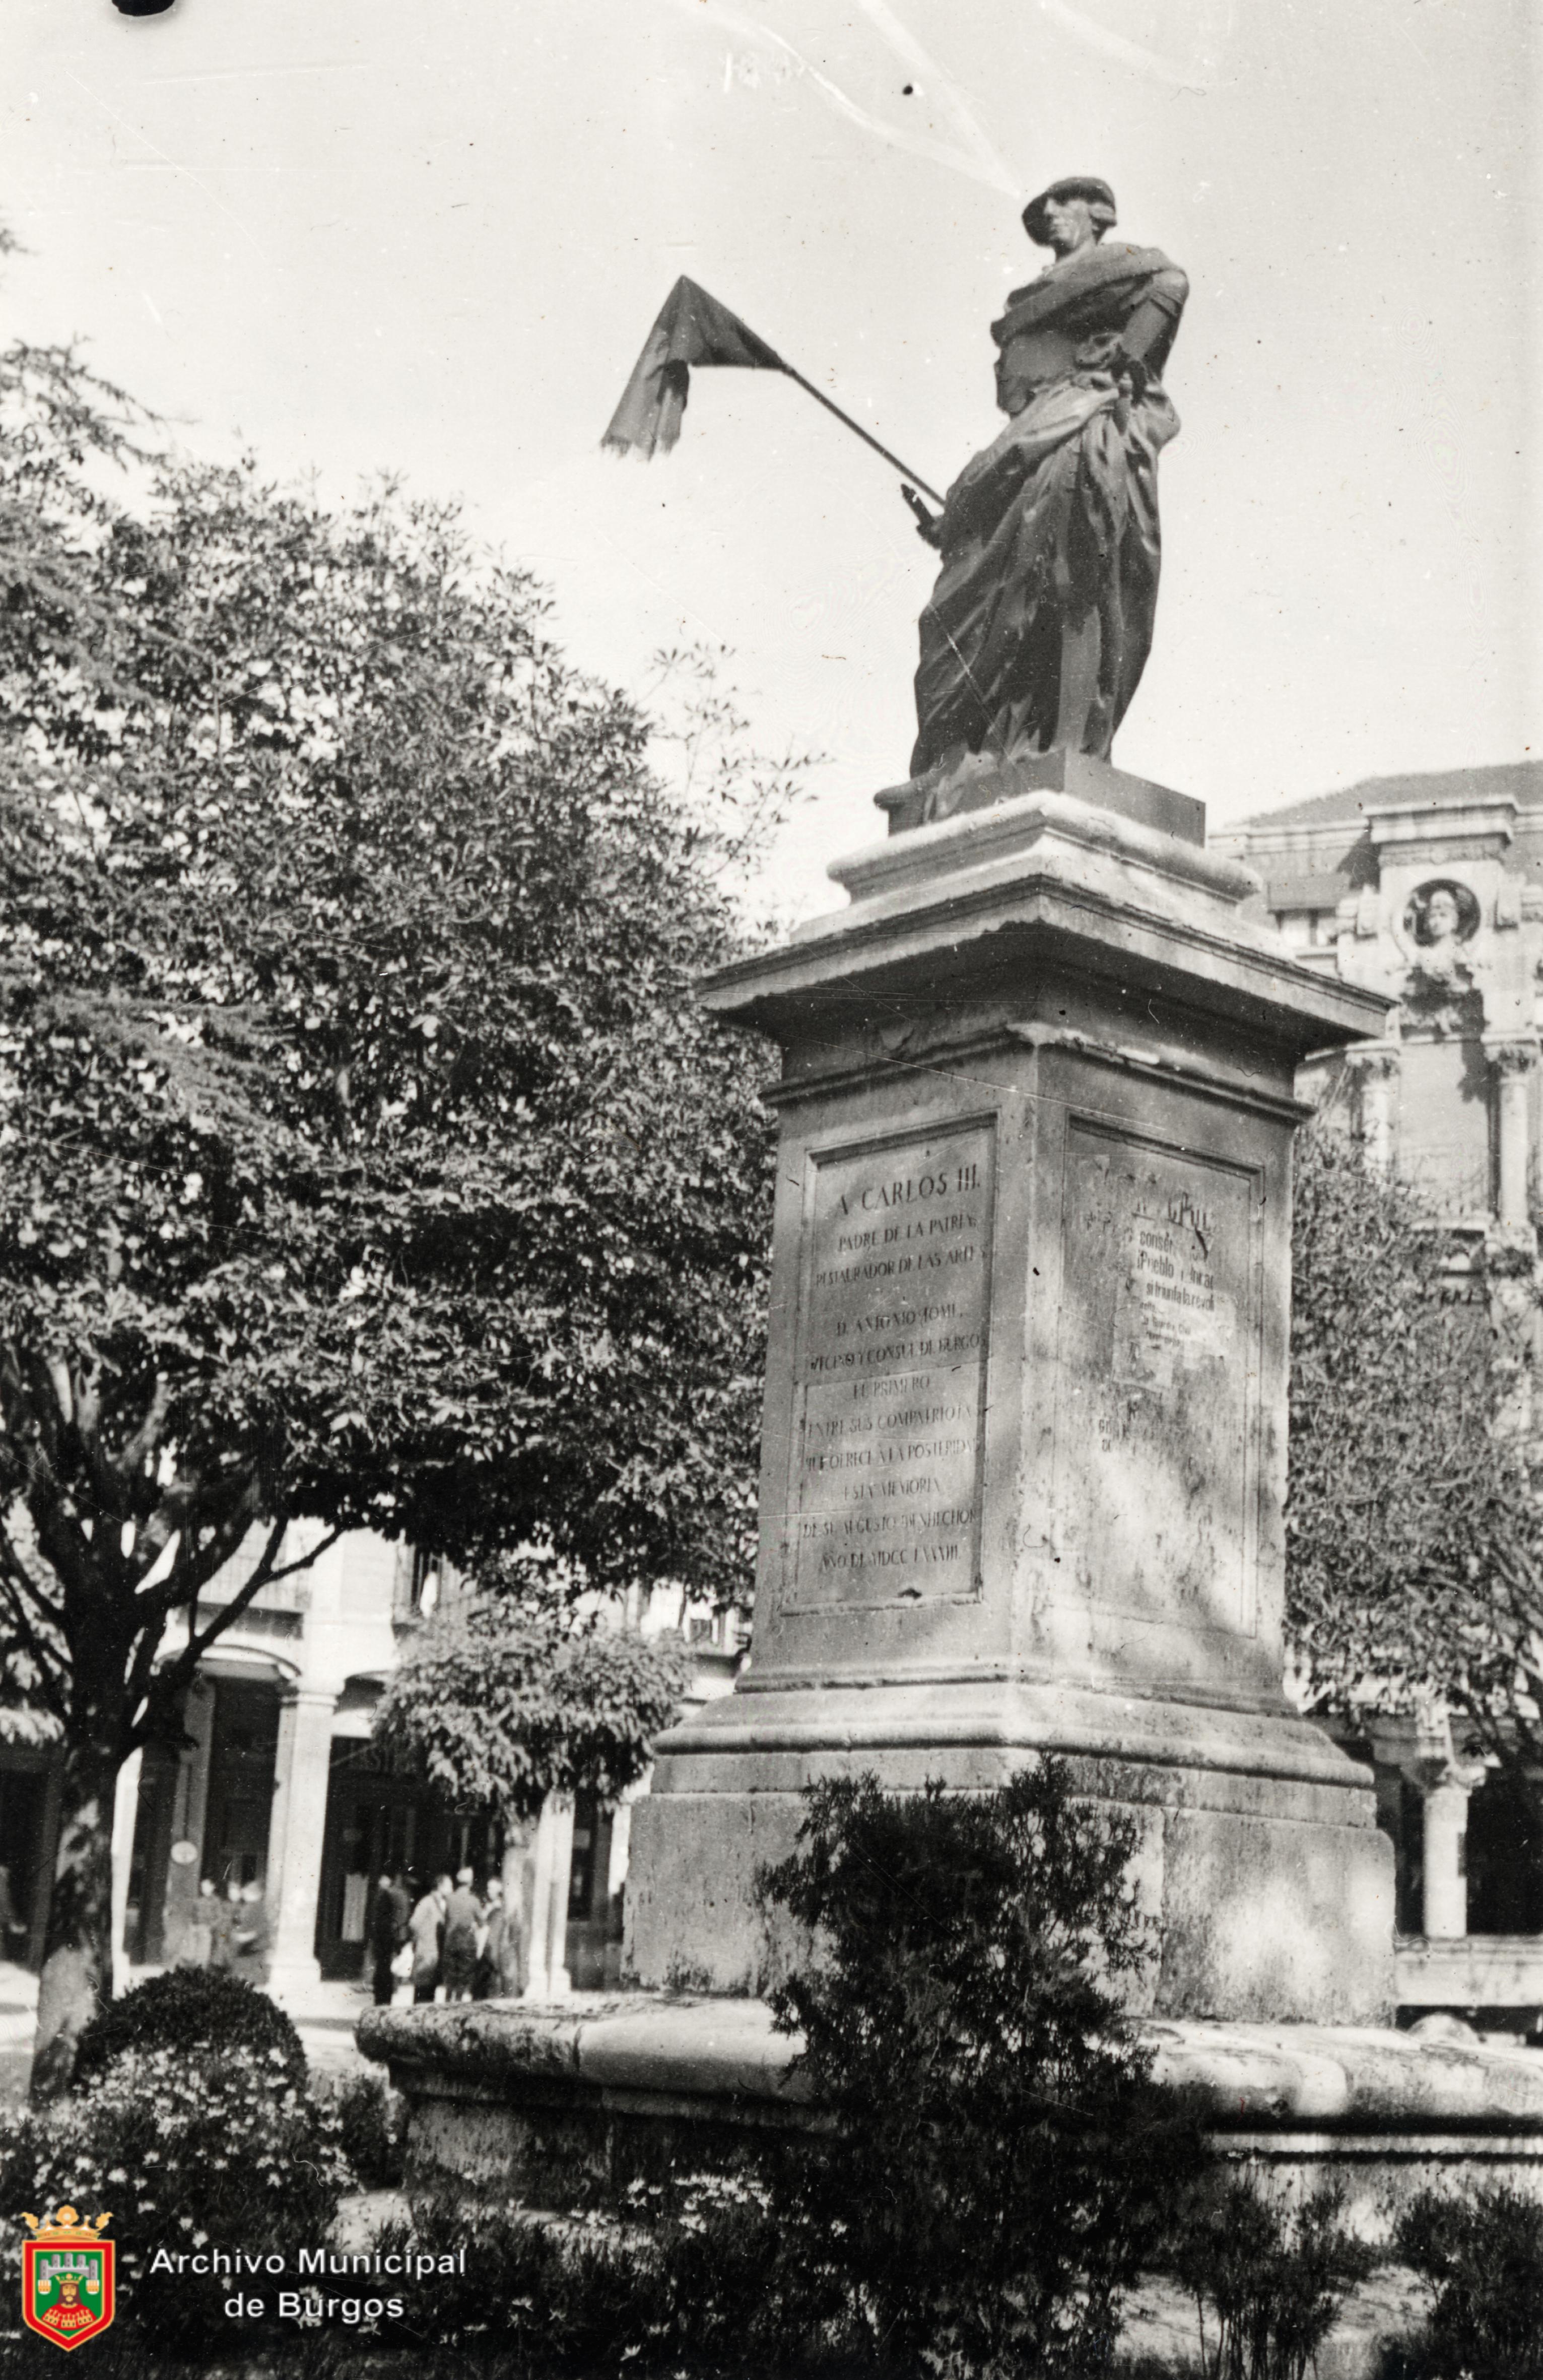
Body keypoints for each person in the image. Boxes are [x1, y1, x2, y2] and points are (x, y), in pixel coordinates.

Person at [909, 176, 1188, 784]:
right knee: (960, 604)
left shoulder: (1122, 265)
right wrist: (951, 522)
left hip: (1086, 424)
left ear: (1098, 213)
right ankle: (980, 747)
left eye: (1065, 202)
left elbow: (1172, 283)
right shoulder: (1031, 296)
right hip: (1037, 432)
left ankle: (1069, 743)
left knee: (1073, 581)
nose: (1052, 214)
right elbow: (1002, 458)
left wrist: (1125, 361)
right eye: (1045, 208)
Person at [368, 1870, 412, 2006]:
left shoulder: (386, 1895)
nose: (380, 1882)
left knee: (383, 1972)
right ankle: (386, 1998)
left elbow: (382, 1920)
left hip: (386, 1940)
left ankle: (382, 2000)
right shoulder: (401, 1894)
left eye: (382, 1878)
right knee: (389, 1971)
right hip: (394, 1939)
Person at [440, 1867, 482, 2002]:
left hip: (451, 1942)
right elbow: (482, 1922)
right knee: (462, 1979)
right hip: (466, 1944)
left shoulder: (450, 1899)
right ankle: (457, 2004)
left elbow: (446, 1919)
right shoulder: (474, 1901)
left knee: (450, 1979)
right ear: (471, 1883)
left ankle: (447, 2002)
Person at [409, 1873, 449, 2004]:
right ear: (440, 1886)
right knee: (422, 1991)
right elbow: (414, 1923)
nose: (451, 1889)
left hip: (435, 1954)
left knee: (431, 1992)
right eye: (449, 1886)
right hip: (426, 1952)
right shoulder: (427, 1902)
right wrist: (425, 1937)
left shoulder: (443, 1904)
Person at [231, 1879, 269, 1986]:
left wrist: (248, 1936)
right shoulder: (248, 1906)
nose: (245, 1895)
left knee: (254, 1976)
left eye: (248, 1892)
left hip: (254, 1947)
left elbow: (263, 1927)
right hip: (245, 1947)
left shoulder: (258, 1907)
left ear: (256, 1894)